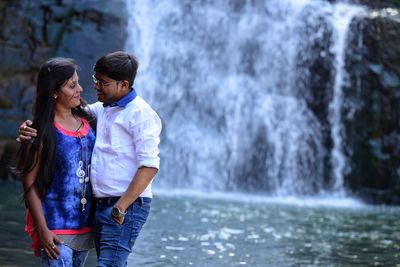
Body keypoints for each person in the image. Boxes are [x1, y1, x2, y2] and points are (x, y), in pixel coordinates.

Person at [19, 51, 162, 267]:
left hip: (124, 205)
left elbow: (150, 166)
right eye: (95, 80)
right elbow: (60, 116)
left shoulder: (140, 114)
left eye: (102, 82)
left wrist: (121, 207)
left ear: (123, 84)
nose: (91, 87)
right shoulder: (99, 111)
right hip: (87, 212)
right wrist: (28, 128)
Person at [17, 57, 96, 267]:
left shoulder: (90, 122)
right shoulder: (41, 131)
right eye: (72, 85)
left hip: (86, 228)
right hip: (56, 229)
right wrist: (43, 230)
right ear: (54, 91)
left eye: (78, 82)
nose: (80, 89)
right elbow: (29, 184)